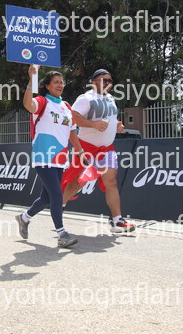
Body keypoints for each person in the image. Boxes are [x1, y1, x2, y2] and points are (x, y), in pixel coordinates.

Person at [15, 65, 84, 248]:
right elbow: (27, 104)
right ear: (47, 86)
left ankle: (24, 218)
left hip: (60, 158)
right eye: (56, 82)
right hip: (43, 155)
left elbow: (72, 132)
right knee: (56, 194)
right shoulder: (42, 102)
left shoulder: (66, 106)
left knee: (46, 198)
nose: (60, 85)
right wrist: (31, 79)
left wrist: (80, 151)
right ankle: (62, 234)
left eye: (62, 82)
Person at [61, 69, 136, 233]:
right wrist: (94, 125)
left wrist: (117, 125)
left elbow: (109, 118)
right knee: (77, 182)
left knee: (111, 181)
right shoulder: (86, 98)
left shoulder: (110, 99)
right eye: (104, 80)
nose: (108, 83)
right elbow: (73, 117)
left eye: (110, 80)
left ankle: (117, 221)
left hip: (107, 149)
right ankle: (58, 207)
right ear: (94, 82)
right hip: (86, 148)